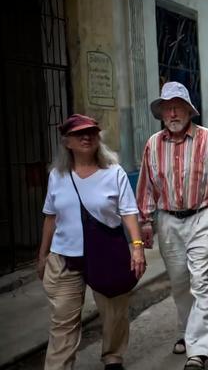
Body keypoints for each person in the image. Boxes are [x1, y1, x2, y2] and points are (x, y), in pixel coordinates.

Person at [136, 82, 208, 370]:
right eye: (167, 108)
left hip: (203, 217)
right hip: (168, 221)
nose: (172, 112)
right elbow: (145, 186)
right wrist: (144, 221)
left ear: (188, 110)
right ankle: (186, 330)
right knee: (180, 282)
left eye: (177, 106)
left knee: (201, 282)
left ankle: (198, 350)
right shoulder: (152, 144)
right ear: (161, 113)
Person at [39, 114, 146, 370]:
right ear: (67, 142)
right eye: (79, 134)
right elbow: (50, 217)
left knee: (113, 314)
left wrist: (137, 248)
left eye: (91, 132)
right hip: (64, 257)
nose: (86, 137)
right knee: (63, 322)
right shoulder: (57, 175)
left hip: (106, 253)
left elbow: (128, 212)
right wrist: (42, 255)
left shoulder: (114, 172)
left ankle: (113, 356)